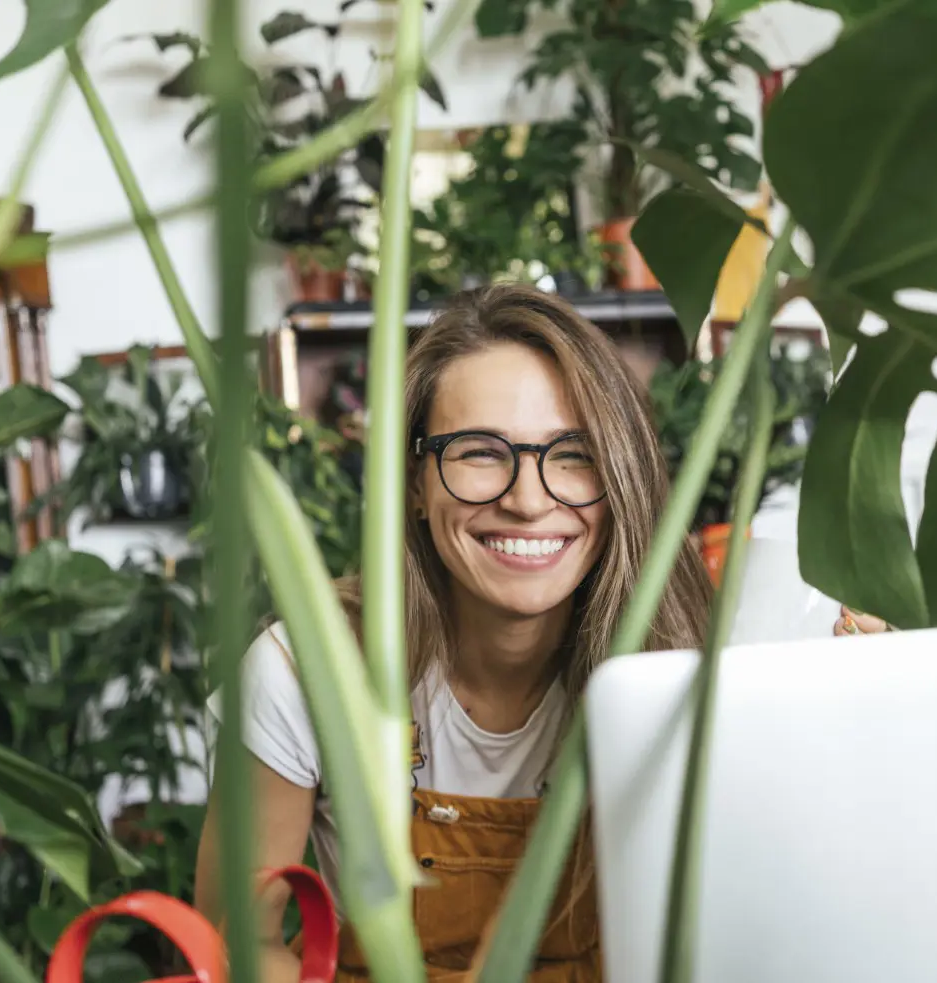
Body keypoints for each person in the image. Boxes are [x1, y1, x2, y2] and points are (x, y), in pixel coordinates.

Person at [194, 284, 713, 982]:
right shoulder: (306, 670)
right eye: (479, 451)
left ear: (621, 475)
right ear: (414, 480)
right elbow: (233, 946)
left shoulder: (678, 670)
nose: (528, 500)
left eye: (573, 453)